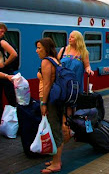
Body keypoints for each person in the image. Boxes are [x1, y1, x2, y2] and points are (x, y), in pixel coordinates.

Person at [36, 37, 63, 173]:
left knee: (54, 130)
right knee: (55, 128)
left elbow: (47, 84)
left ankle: (56, 163)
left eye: (39, 48)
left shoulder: (46, 62)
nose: (37, 51)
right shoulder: (55, 60)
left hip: (50, 101)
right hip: (57, 99)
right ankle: (55, 159)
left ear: (46, 48)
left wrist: (43, 103)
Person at [0, 23, 18, 117]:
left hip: (6, 73)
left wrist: (4, 64)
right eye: (1, 31)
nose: (2, 33)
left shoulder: (2, 42)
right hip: (4, 74)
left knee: (11, 98)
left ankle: (14, 120)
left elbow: (14, 54)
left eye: (4, 32)